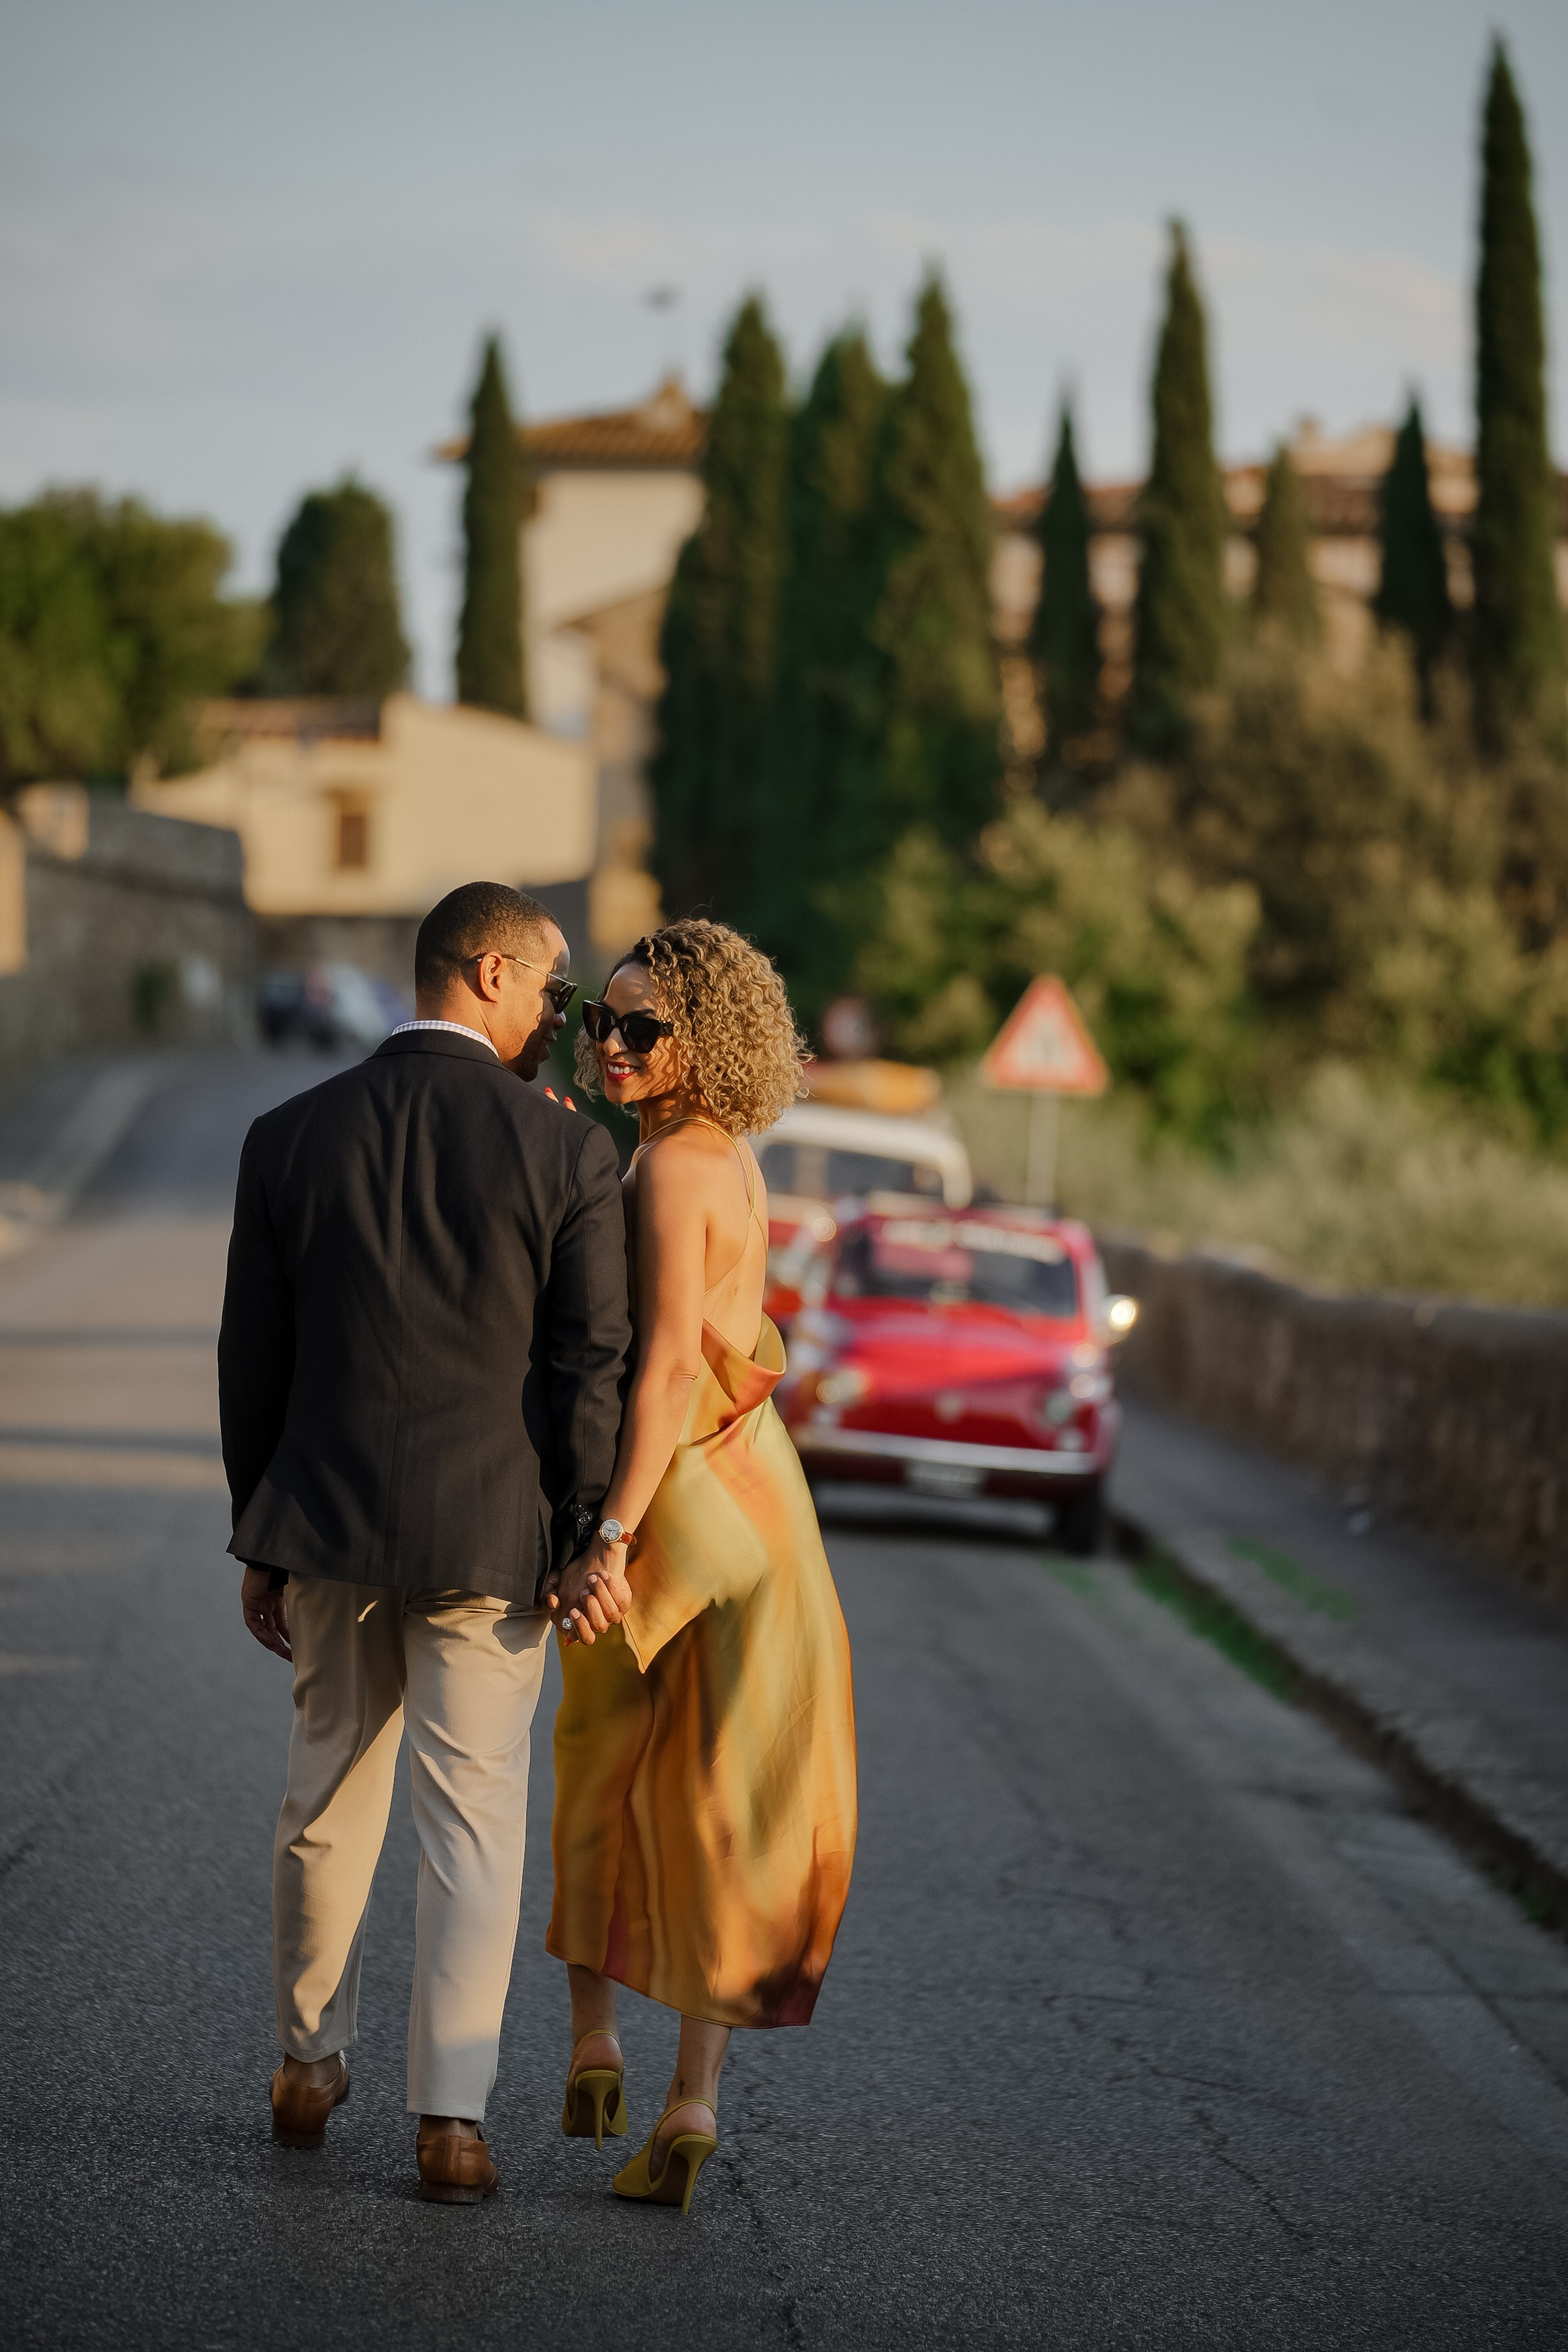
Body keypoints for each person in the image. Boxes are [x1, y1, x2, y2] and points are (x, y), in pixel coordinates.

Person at [219, 882, 631, 2205]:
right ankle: (450, 2124)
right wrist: (583, 1531)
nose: (559, 1019)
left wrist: (260, 1536)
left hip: (328, 1522)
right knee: (472, 1825)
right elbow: (589, 1367)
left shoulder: (289, 1136)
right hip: (489, 1538)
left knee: (323, 1798)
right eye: (556, 992)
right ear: (492, 971)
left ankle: (304, 2061)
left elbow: (253, 1362)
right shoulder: (568, 1157)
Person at [545, 918, 859, 2216]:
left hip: (673, 1501)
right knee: (726, 1799)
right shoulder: (731, 1158)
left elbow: (669, 1360)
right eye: (599, 1024)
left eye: (639, 1030)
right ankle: (692, 2104)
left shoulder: (672, 1170)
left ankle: (592, 2043)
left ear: (702, 1039)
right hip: (759, 1495)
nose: (612, 1047)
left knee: (600, 1768)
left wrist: (609, 1532)